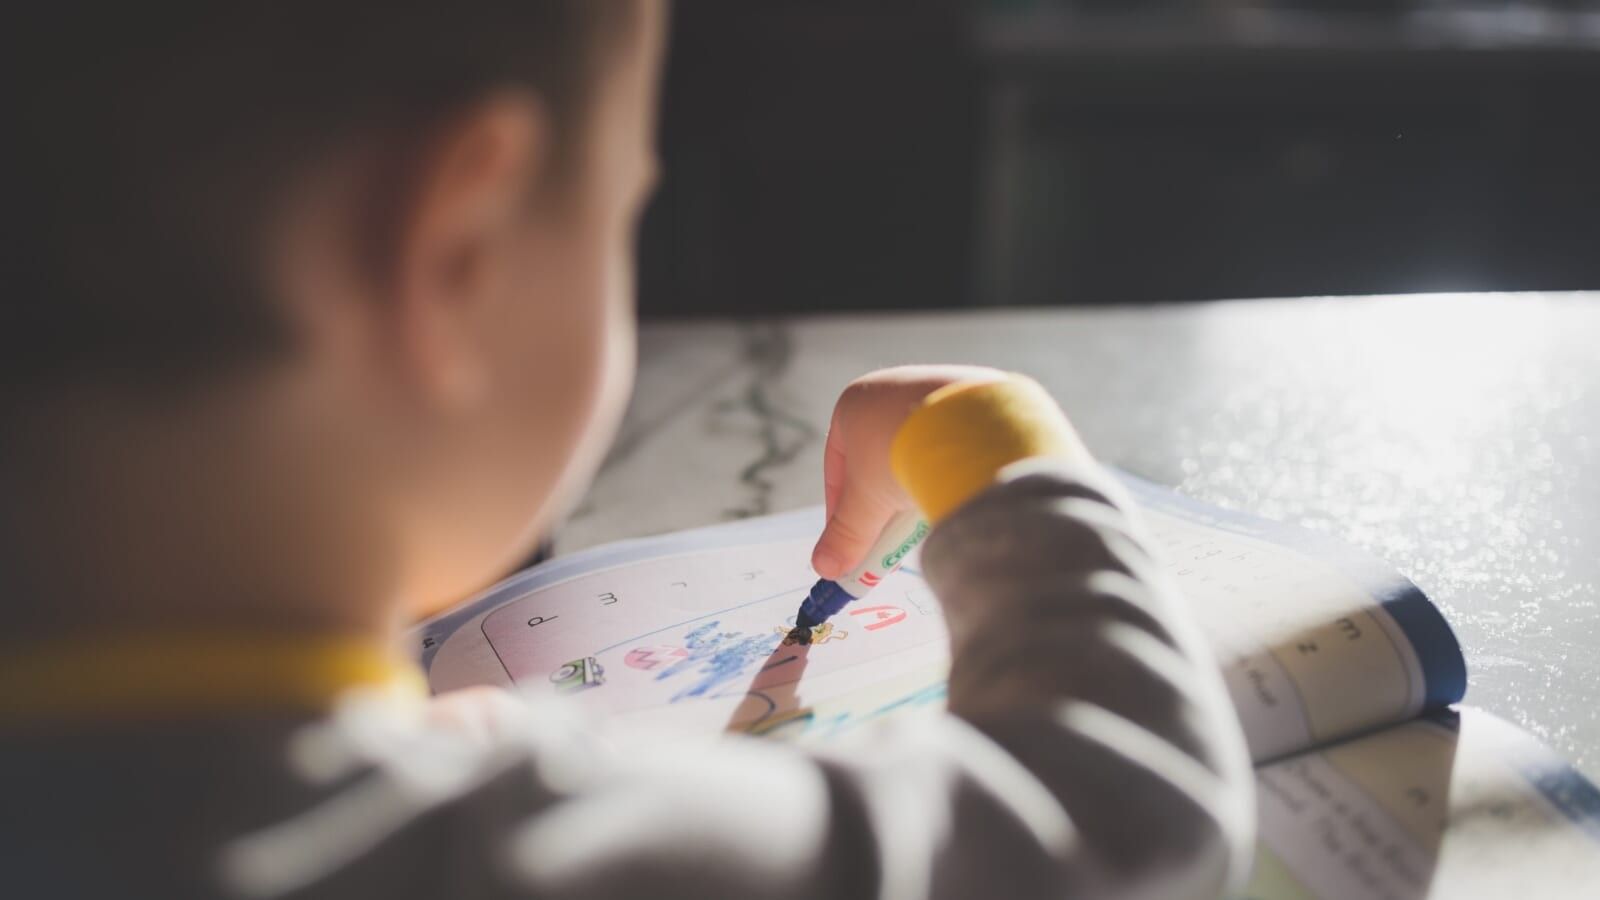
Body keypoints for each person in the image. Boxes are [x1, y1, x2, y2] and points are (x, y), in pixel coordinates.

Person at [0, 3, 1253, 897]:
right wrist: (984, 440)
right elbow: (1118, 816)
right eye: (621, 220)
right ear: (456, 253)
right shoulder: (525, 858)